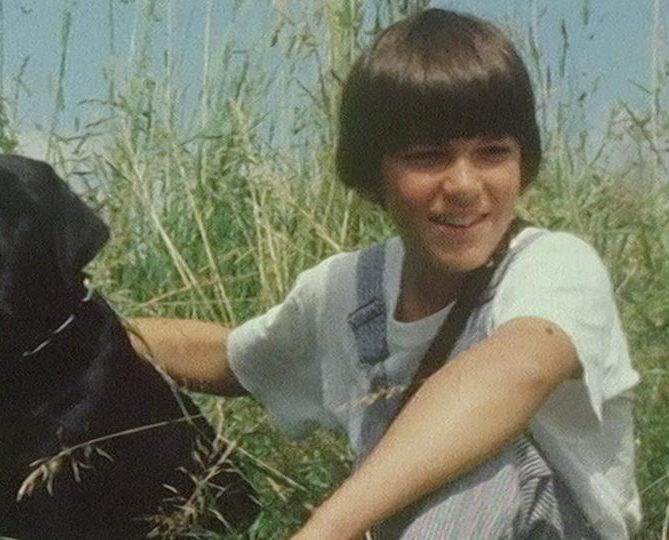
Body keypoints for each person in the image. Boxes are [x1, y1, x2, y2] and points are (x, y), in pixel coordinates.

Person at [130, 8, 640, 539]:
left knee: (493, 474)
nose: (465, 184)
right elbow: (229, 358)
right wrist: (74, 328)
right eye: (428, 157)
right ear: (373, 173)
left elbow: (515, 372)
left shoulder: (555, 264)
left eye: (493, 153)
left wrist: (325, 530)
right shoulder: (348, 290)